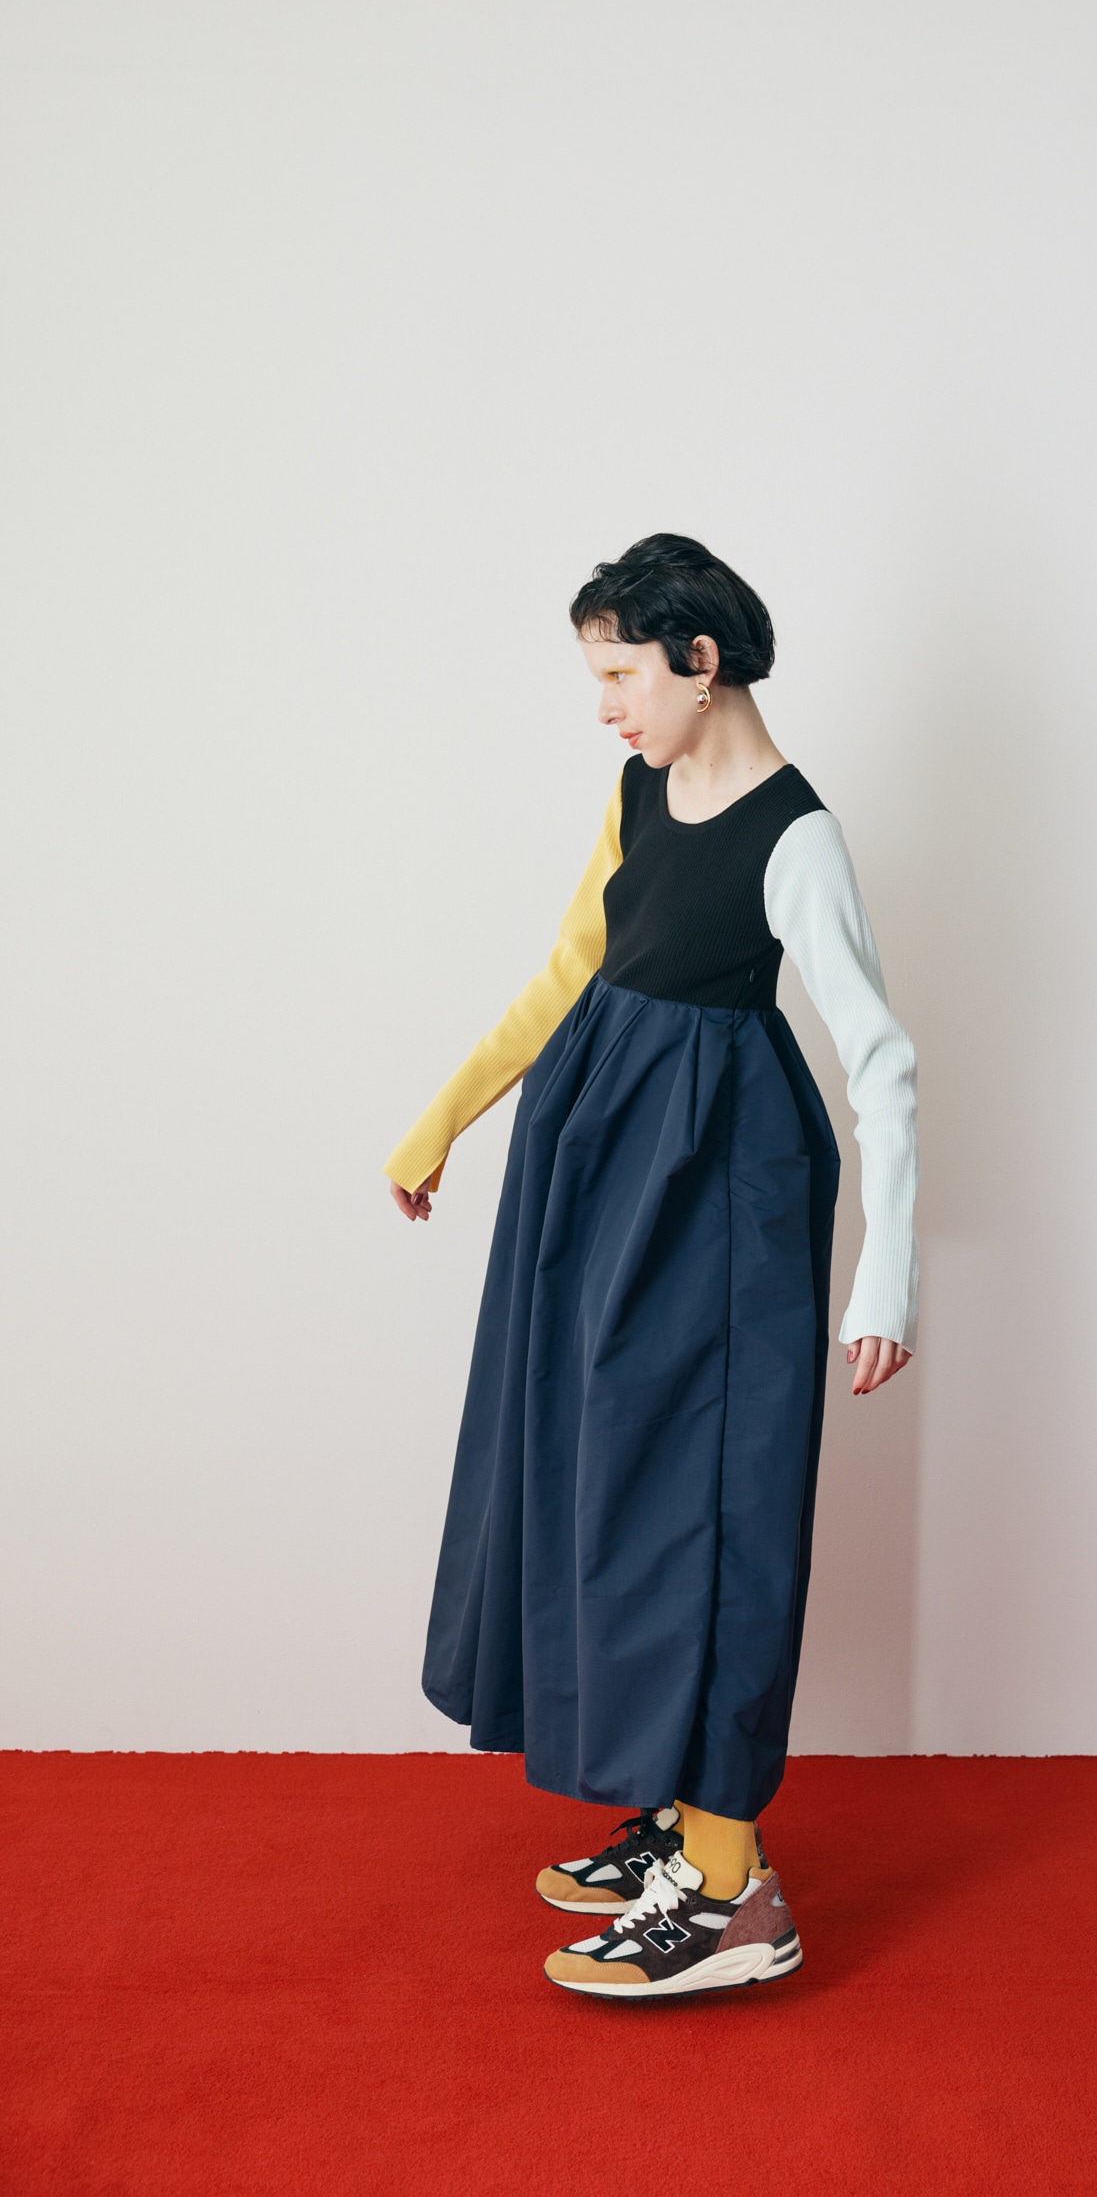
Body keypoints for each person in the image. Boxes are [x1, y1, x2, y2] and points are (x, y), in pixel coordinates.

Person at [385, 534, 918, 1997]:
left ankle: (735, 1895)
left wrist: (884, 1278)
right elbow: (574, 968)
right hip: (605, 1174)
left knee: (716, 1506)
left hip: (717, 1190)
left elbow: (880, 1058)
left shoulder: (796, 836)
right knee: (618, 1481)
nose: (606, 706)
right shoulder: (638, 791)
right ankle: (683, 1823)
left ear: (701, 660)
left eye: (620, 674)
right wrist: (445, 1115)